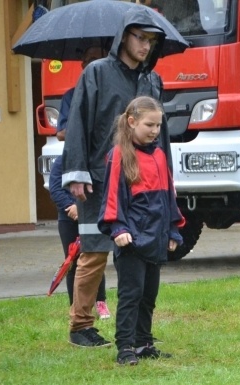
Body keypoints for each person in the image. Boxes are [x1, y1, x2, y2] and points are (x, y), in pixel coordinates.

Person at [62, 11, 170, 348]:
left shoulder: (153, 80)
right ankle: (81, 326)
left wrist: (167, 178)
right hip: (98, 179)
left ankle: (137, 334)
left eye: (151, 40)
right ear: (124, 37)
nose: (146, 46)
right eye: (140, 37)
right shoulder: (96, 72)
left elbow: (161, 134)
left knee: (141, 253)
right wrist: (77, 173)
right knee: (94, 252)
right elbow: (78, 123)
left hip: (142, 185)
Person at [98, 96, 184, 366]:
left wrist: (173, 229)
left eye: (158, 126)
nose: (155, 131)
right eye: (150, 125)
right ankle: (125, 347)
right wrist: (118, 228)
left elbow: (168, 197)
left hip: (155, 238)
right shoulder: (119, 155)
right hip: (132, 241)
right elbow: (111, 197)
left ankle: (144, 343)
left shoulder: (159, 155)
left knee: (149, 296)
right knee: (131, 295)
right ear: (132, 122)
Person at [50, 45, 110, 317]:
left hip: (104, 173)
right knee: (78, 257)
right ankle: (78, 310)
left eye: (99, 60)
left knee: (99, 250)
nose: (94, 66)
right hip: (75, 203)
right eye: (89, 61)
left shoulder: (115, 91)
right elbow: (63, 132)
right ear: (83, 66)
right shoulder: (71, 96)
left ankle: (102, 303)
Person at [48, 157, 109, 312]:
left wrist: (81, 208)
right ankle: (74, 305)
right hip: (68, 219)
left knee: (95, 258)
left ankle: (100, 302)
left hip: (92, 218)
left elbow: (101, 190)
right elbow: (55, 189)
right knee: (72, 262)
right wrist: (71, 206)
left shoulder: (95, 162)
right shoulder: (61, 162)